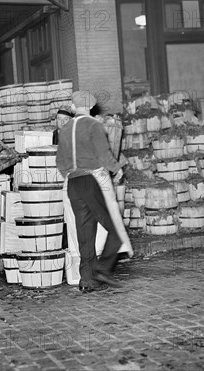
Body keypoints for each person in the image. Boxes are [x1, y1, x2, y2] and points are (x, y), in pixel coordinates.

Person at [56, 91, 125, 293]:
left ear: (75, 106)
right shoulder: (94, 126)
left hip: (72, 184)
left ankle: (86, 280)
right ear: (91, 107)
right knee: (116, 228)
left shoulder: (66, 128)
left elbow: (60, 161)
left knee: (85, 234)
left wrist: (69, 173)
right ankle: (102, 269)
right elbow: (103, 154)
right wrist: (116, 168)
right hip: (90, 181)